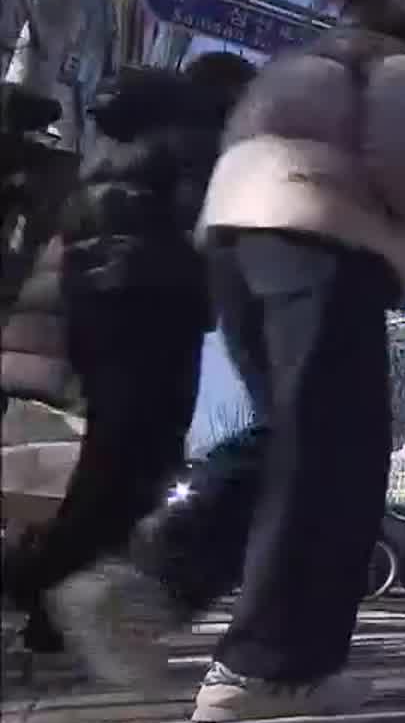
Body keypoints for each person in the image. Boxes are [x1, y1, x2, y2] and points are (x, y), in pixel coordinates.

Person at [47, 0, 405, 723]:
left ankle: (156, 586)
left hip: (237, 241)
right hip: (325, 238)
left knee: (293, 438)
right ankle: (269, 666)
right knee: (340, 454)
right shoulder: (399, 66)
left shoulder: (305, 60)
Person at [1, 55, 255, 655]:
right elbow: (209, 231)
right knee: (138, 470)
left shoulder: (119, 144)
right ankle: (39, 586)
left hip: (98, 311)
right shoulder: (197, 141)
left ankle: (50, 605)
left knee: (109, 464)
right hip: (156, 309)